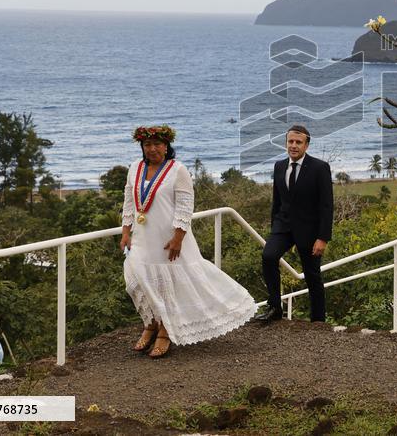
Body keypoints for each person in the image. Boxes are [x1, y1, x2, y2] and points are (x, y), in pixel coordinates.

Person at [120, 125, 257, 358]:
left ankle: (165, 331)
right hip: (142, 236)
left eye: (156, 145)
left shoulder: (178, 170)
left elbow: (185, 207)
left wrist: (178, 237)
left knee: (169, 284)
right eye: (147, 145)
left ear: (166, 146)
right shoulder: (135, 168)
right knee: (140, 280)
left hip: (168, 238)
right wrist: (125, 232)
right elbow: (129, 201)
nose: (151, 149)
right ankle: (150, 324)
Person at [256, 125, 334, 322]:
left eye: (298, 142)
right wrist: (274, 227)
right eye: (290, 141)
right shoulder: (279, 166)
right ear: (286, 143)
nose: (293, 145)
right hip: (283, 226)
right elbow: (277, 200)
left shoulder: (320, 168)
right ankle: (274, 308)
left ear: (306, 145)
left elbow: (326, 205)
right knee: (268, 256)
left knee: (311, 275)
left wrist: (323, 237)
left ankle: (318, 320)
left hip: (309, 230)